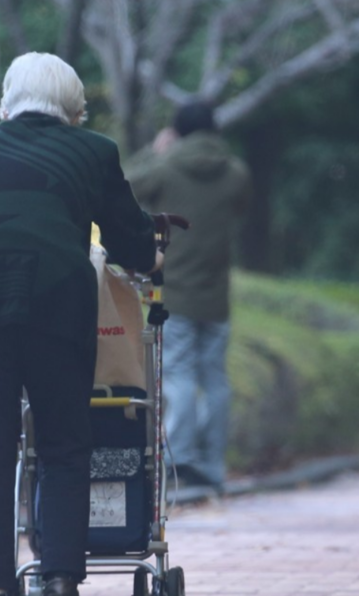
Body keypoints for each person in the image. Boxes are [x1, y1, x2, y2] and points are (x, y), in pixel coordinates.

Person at [0, 53, 160, 596]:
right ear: (75, 109)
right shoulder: (93, 150)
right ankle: (59, 578)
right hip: (54, 299)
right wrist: (152, 258)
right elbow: (129, 241)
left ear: (6, 104)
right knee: (63, 443)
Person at [128, 101, 252, 490]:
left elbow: (125, 185)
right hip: (216, 297)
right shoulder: (236, 174)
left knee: (179, 376)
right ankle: (212, 466)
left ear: (177, 131)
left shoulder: (165, 168)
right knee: (215, 380)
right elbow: (241, 209)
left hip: (175, 293)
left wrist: (154, 151)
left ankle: (180, 460)